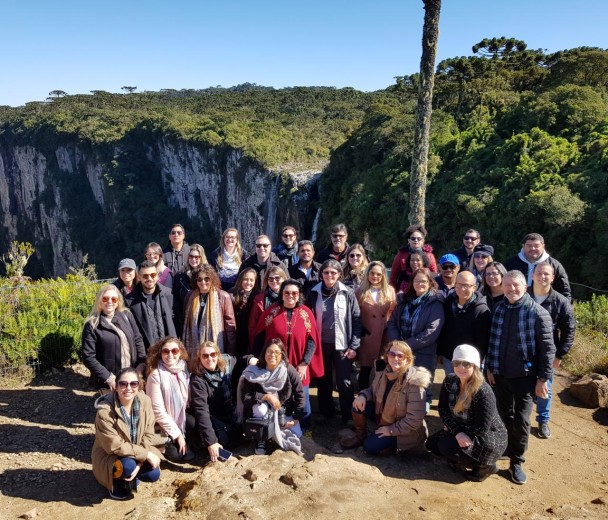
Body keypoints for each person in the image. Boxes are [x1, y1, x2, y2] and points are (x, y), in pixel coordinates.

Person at [485, 270, 555, 485]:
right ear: (502, 287)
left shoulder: (538, 313)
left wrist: (543, 379)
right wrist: (489, 367)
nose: (511, 289)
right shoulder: (498, 309)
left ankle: (517, 461)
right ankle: (505, 447)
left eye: (516, 285)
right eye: (507, 285)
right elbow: (492, 341)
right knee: (504, 413)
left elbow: (548, 350)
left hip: (525, 376)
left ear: (525, 286)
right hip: (500, 373)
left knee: (522, 420)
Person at [426, 344, 508, 482]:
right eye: (457, 363)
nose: (461, 367)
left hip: (488, 438)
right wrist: (457, 431)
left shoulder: (483, 391)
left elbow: (481, 429)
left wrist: (454, 430)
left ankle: (485, 467)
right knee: (431, 444)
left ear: (475, 366)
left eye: (466, 364)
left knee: (447, 447)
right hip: (462, 428)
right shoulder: (450, 380)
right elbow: (442, 409)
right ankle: (461, 458)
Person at [253, 279, 324, 429]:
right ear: (281, 294)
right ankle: (277, 430)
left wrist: (305, 363)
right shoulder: (271, 312)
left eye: (294, 293)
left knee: (302, 398)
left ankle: (306, 431)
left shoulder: (306, 313)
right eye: (286, 292)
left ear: (299, 295)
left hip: (299, 364)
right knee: (279, 397)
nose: (290, 296)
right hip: (275, 365)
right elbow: (259, 337)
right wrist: (259, 360)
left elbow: (312, 341)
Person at [341, 341, 430, 454]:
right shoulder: (385, 372)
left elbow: (414, 420)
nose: (395, 358)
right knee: (357, 405)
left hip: (404, 430)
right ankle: (360, 437)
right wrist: (362, 395)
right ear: (387, 356)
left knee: (370, 447)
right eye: (392, 354)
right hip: (383, 416)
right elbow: (372, 391)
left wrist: (390, 430)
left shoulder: (415, 383)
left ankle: (400, 448)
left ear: (407, 359)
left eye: (400, 355)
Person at [91, 367, 162, 500]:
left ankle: (132, 475)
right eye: (123, 384)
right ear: (116, 386)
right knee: (128, 466)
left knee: (153, 474)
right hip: (110, 455)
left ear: (139, 386)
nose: (128, 388)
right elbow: (114, 446)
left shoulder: (145, 401)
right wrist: (146, 454)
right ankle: (116, 484)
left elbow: (148, 433)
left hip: (135, 450)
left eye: (133, 384)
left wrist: (140, 463)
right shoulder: (104, 412)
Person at [307, 259, 362, 422]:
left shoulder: (348, 293)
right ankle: (326, 413)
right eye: (326, 272)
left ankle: (348, 415)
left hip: (342, 345)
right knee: (323, 380)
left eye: (333, 272)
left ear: (339, 274)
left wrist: (354, 346)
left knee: (344, 381)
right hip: (321, 344)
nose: (329, 275)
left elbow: (357, 319)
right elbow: (308, 318)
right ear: (321, 274)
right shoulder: (313, 292)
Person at [529, 261, 576, 439]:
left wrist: (560, 354)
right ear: (532, 275)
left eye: (546, 274)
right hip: (521, 350)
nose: (542, 277)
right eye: (539, 273)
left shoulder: (561, 302)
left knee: (545, 387)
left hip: (547, 352)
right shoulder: (522, 295)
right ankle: (519, 420)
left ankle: (543, 420)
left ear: (553, 277)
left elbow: (569, 330)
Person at [386, 267, 445, 408]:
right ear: (412, 282)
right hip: (400, 353)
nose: (420, 284)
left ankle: (418, 421)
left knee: (421, 389)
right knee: (401, 384)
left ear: (430, 283)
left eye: (424, 281)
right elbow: (392, 323)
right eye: (417, 281)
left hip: (423, 354)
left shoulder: (435, 303)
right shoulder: (403, 300)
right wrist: (397, 345)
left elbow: (431, 332)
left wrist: (405, 346)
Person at [237, 339, 305, 455]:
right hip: (261, 411)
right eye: (269, 352)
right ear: (264, 353)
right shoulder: (254, 371)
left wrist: (295, 419)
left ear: (282, 354)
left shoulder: (288, 370)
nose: (272, 355)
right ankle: (261, 439)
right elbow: (245, 397)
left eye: (277, 352)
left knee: (296, 434)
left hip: (282, 410)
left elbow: (300, 394)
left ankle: (273, 433)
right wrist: (266, 396)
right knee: (261, 409)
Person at [82, 285, 146, 392]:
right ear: (99, 301)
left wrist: (141, 363)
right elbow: (88, 357)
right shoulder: (92, 325)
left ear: (118, 302)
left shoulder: (126, 315)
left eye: (114, 299)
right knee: (113, 408)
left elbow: (137, 338)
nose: (110, 302)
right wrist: (108, 377)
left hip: (132, 376)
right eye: (105, 298)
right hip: (110, 382)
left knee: (135, 406)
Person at [189, 341, 241, 462]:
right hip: (213, 416)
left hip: (230, 411)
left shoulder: (227, 364)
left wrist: (252, 361)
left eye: (213, 354)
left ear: (218, 355)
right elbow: (202, 411)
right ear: (199, 358)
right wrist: (211, 442)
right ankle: (207, 445)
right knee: (220, 441)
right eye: (205, 356)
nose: (210, 358)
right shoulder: (198, 379)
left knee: (238, 438)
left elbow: (243, 359)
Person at [145, 337, 194, 464]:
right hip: (161, 424)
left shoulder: (184, 369)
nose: (170, 355)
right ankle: (161, 446)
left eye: (174, 351)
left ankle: (184, 439)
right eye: (166, 351)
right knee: (178, 455)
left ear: (180, 352)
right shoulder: (155, 375)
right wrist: (178, 435)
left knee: (194, 424)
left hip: (180, 416)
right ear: (160, 353)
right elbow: (158, 412)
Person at [437, 271, 491, 374]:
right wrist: (441, 352)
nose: (462, 289)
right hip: (450, 358)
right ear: (455, 285)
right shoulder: (448, 302)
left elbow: (482, 342)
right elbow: (444, 330)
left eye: (466, 285)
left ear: (474, 287)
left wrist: (476, 363)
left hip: (469, 362)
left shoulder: (481, 310)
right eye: (459, 285)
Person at [355, 261, 396, 390]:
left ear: (383, 275)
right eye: (372, 273)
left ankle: (380, 398)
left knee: (383, 368)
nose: (375, 276)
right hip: (367, 336)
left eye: (379, 274)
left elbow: (393, 312)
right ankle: (362, 398)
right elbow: (354, 315)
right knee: (365, 369)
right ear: (367, 274)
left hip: (385, 335)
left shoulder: (390, 291)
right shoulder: (360, 292)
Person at [182, 264, 236, 355]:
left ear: (212, 279)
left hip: (215, 345)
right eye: (199, 279)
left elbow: (230, 325)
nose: (203, 282)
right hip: (193, 345)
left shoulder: (223, 296)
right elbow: (184, 321)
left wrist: (231, 349)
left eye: (206, 279)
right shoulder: (189, 296)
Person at [124, 261, 176, 351]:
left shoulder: (169, 294)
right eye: (145, 276)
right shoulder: (129, 301)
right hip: (146, 352)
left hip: (169, 351)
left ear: (157, 275)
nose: (149, 278)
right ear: (139, 277)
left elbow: (176, 323)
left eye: (153, 275)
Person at [505, 233, 571, 300]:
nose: (533, 248)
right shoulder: (511, 263)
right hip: (516, 305)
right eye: (529, 245)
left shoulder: (554, 265)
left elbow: (565, 292)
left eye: (536, 246)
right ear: (523, 246)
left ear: (543, 246)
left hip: (546, 306)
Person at [247, 266, 288, 352]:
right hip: (265, 342)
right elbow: (253, 325)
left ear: (284, 279)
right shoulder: (259, 300)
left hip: (286, 341)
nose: (274, 281)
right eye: (271, 279)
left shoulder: (291, 298)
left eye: (277, 278)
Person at [389, 225, 437, 293]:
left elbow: (434, 274)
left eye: (419, 238)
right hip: (405, 289)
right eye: (413, 238)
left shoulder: (429, 256)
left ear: (423, 240)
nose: (416, 240)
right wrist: (393, 292)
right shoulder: (401, 255)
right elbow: (393, 276)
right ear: (409, 240)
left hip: (424, 288)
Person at [172, 243, 208, 335]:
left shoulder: (209, 275)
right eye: (191, 256)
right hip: (186, 319)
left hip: (204, 317)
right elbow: (175, 300)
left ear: (202, 257)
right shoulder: (180, 276)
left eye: (197, 257)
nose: (193, 259)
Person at [230, 268, 259, 357]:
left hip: (251, 334)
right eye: (245, 279)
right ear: (240, 280)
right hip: (236, 333)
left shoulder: (258, 296)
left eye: (251, 280)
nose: (248, 282)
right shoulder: (231, 295)